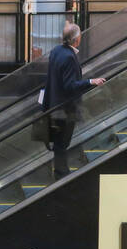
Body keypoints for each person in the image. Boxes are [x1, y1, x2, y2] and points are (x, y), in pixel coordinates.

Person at [42, 23, 105, 180]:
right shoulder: (69, 57)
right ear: (76, 40)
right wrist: (90, 82)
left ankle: (59, 171)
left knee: (58, 141)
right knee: (62, 142)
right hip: (66, 107)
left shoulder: (57, 51)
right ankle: (62, 174)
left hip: (54, 103)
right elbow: (70, 86)